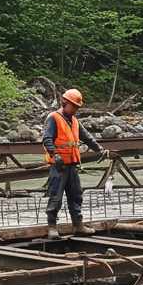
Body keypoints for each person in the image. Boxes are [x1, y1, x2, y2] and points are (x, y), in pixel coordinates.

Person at [44, 88, 107, 235]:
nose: (75, 110)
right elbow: (47, 139)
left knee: (76, 196)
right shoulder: (53, 118)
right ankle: (52, 227)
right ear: (64, 103)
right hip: (59, 166)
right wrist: (55, 154)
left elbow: (87, 137)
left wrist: (99, 149)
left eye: (77, 107)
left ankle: (78, 225)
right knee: (56, 197)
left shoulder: (74, 121)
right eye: (74, 106)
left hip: (72, 165)